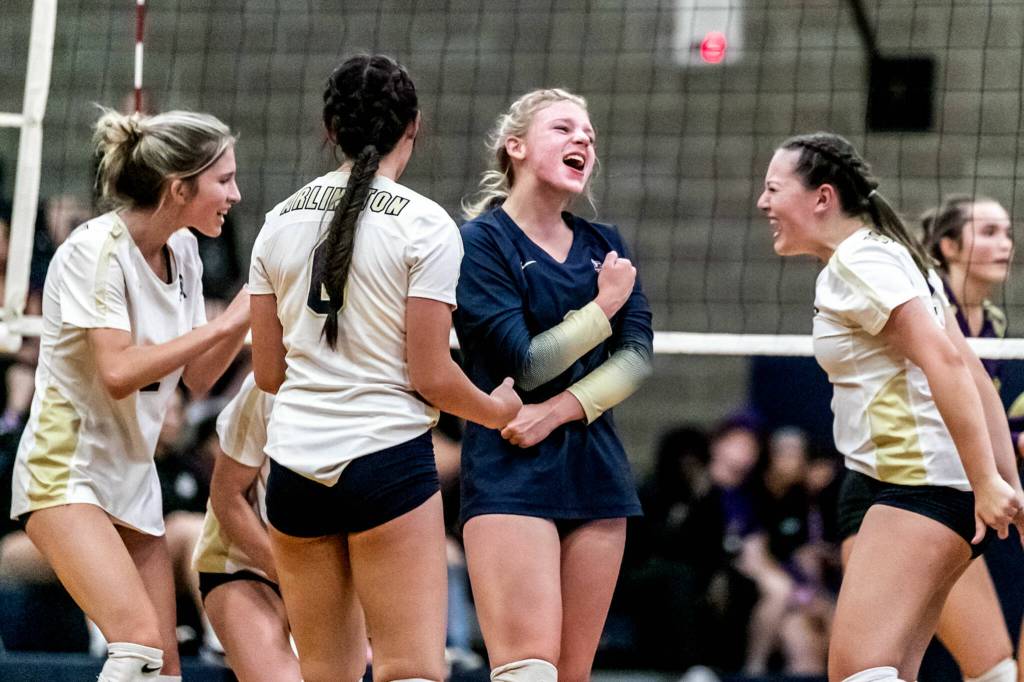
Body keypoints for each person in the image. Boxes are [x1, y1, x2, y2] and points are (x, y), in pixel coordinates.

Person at [248, 54, 520, 682]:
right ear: (413, 127)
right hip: (386, 463)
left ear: (329, 128)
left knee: (324, 673)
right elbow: (431, 376)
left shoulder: (276, 223)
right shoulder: (426, 226)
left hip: (292, 468)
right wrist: (497, 408)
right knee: (413, 671)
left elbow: (268, 373)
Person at [756, 132, 1024, 682]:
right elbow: (970, 369)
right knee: (886, 672)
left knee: (860, 672)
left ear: (822, 198)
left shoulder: (861, 263)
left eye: (772, 188)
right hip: (920, 491)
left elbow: (951, 367)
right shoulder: (895, 255)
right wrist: (1001, 480)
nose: (763, 202)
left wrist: (992, 480)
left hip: (917, 487)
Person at [9, 107, 250, 681]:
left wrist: (246, 315)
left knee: (163, 666)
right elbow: (118, 371)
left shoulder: (186, 252)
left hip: (131, 476)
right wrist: (217, 327)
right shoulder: (94, 251)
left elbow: (197, 379)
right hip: (66, 471)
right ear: (178, 187)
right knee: (136, 647)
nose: (236, 195)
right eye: (224, 180)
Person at [454, 88, 653, 682]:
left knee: (573, 674)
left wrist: (558, 412)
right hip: (510, 468)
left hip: (595, 469)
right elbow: (528, 363)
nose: (583, 141)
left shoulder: (604, 242)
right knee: (527, 669)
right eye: (563, 128)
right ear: (514, 147)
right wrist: (604, 306)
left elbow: (637, 358)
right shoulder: (480, 243)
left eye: (588, 134)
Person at [191, 372, 300, 681]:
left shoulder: (380, 391)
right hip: (245, 563)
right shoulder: (267, 388)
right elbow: (227, 496)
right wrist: (297, 583)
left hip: (333, 573)